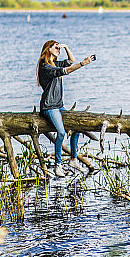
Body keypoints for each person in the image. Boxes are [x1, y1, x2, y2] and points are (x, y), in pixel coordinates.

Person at [37, 40, 95, 177]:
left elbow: (70, 61)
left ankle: (73, 159)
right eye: (56, 47)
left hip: (59, 105)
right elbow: (67, 70)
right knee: (61, 133)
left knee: (76, 128)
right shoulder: (46, 67)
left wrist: (66, 47)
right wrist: (83, 63)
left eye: (59, 48)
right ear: (48, 49)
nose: (59, 50)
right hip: (49, 106)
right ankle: (58, 165)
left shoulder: (55, 64)